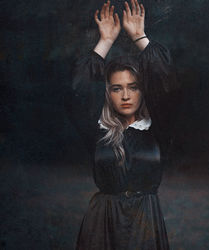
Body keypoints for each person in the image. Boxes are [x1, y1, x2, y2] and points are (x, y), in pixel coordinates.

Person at [64, 0, 180, 249]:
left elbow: (165, 81)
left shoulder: (158, 128)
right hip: (101, 222)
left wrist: (140, 37)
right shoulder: (97, 129)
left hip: (145, 221)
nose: (125, 96)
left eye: (133, 87)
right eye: (117, 88)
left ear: (143, 91)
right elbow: (78, 90)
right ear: (108, 93)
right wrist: (105, 41)